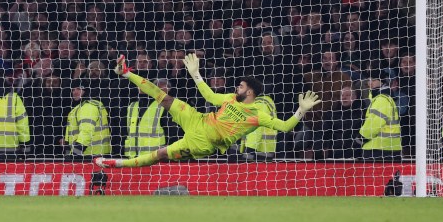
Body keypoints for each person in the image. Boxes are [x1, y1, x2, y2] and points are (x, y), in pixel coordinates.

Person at [96, 54, 319, 168]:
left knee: (161, 154)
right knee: (164, 97)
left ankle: (114, 163)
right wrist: (195, 73)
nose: (236, 87)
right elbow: (209, 96)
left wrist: (300, 110)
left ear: (250, 92)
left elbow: (286, 126)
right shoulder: (231, 99)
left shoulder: (257, 115)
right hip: (198, 120)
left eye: (241, 86)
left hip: (204, 143)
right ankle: (125, 72)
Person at [354, 76, 402, 160]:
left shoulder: (381, 99)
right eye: (368, 80)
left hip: (379, 149)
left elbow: (373, 125)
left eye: (374, 79)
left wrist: (359, 139)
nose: (370, 83)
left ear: (382, 81)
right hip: (386, 148)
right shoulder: (383, 98)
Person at [123, 77, 168, 158]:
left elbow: (171, 132)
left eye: (145, 84)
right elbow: (126, 131)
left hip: (154, 157)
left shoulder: (161, 106)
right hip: (132, 156)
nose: (141, 86)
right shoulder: (132, 105)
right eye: (139, 84)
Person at [64, 81, 111, 157]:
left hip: (89, 155)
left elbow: (86, 132)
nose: (75, 92)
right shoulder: (78, 108)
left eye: (79, 89)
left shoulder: (88, 107)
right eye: (73, 90)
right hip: (91, 154)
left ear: (86, 90)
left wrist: (75, 153)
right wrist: (68, 153)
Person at [238, 94, 278, 160]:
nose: (238, 88)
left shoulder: (260, 102)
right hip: (261, 151)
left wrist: (249, 151)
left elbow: (256, 129)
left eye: (242, 86)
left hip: (259, 152)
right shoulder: (260, 101)